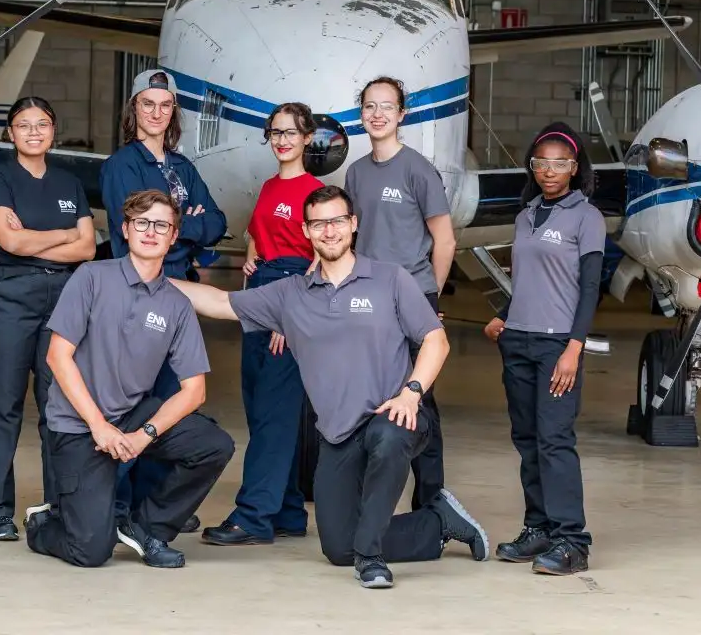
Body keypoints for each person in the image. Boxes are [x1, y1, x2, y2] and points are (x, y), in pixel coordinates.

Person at [169, 186, 489, 589]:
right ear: (306, 231)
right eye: (319, 224)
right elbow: (219, 302)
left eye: (337, 221)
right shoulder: (290, 295)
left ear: (353, 224)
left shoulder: (389, 279)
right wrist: (153, 277)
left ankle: (371, 560)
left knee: (389, 437)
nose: (329, 231)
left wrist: (412, 393)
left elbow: (435, 340)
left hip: (395, 414)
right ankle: (437, 522)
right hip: (338, 435)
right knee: (338, 547)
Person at [22, 189, 235, 569]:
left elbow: (194, 391)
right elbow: (57, 356)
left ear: (174, 236)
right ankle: (45, 523)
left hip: (132, 416)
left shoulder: (176, 304)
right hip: (78, 425)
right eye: (142, 223)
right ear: (125, 229)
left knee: (213, 445)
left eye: (161, 225)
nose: (151, 232)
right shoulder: (91, 277)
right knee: (91, 551)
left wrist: (144, 435)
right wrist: (99, 426)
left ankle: (146, 527)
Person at [99, 69, 227, 533]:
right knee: (132, 401)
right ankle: (113, 508)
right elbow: (134, 230)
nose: (156, 112)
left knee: (170, 401)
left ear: (174, 111)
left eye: (165, 105)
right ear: (133, 108)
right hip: (138, 295)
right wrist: (185, 224)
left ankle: (148, 507)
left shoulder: (181, 167)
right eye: (147, 103)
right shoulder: (121, 165)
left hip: (179, 296)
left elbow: (217, 223)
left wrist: (178, 227)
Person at [482, 122, 603, 576]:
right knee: (527, 439)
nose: (550, 171)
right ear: (532, 167)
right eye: (541, 163)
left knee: (554, 440)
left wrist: (574, 348)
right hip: (518, 340)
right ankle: (539, 528)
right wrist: (506, 314)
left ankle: (573, 540)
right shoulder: (526, 214)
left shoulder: (586, 217)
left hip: (557, 344)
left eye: (560, 163)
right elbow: (530, 278)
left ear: (574, 168)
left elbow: (589, 288)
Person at [0, 96, 97, 541]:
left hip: (62, 298)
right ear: (10, 133)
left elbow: (87, 249)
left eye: (42, 124)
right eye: (23, 125)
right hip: (11, 295)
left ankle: (57, 505)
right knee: (3, 405)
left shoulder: (69, 183)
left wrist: (35, 238)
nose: (33, 132)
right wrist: (64, 233)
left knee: (57, 407)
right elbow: (10, 244)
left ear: (53, 130)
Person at [201, 102, 323, 547]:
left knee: (275, 410)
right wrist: (253, 256)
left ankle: (253, 516)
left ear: (307, 138)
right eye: (275, 133)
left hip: (289, 297)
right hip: (260, 292)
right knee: (260, 406)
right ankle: (287, 511)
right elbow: (257, 232)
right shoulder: (270, 186)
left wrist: (291, 316)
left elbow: (321, 260)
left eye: (291, 133)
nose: (282, 140)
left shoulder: (315, 193)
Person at [344, 76, 456, 512]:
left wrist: (430, 298)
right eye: (370, 106)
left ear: (401, 114)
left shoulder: (417, 169)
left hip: (413, 299)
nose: (377, 114)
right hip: (369, 301)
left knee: (420, 398)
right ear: (361, 114)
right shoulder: (356, 173)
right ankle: (368, 503)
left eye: (386, 106)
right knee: (369, 396)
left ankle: (432, 504)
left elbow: (444, 241)